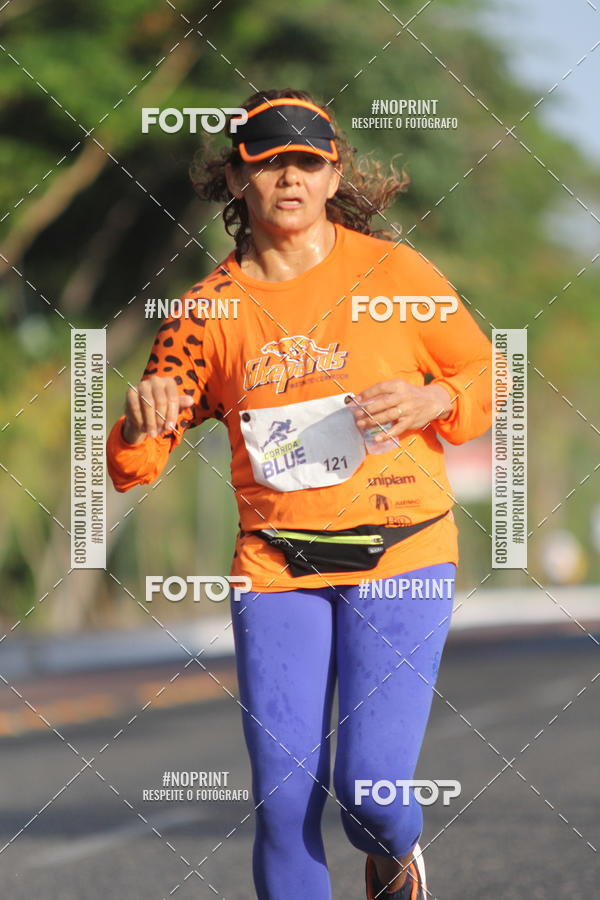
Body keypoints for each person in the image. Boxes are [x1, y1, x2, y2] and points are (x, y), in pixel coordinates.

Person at [106, 88, 493, 900]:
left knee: (372, 793)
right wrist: (139, 423)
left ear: (332, 175)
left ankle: (396, 854)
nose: (290, 178)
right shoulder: (206, 315)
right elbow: (139, 457)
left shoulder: (395, 272)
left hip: (403, 552)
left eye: (307, 164)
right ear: (238, 180)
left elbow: (487, 373)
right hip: (278, 567)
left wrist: (434, 401)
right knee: (283, 804)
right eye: (270, 163)